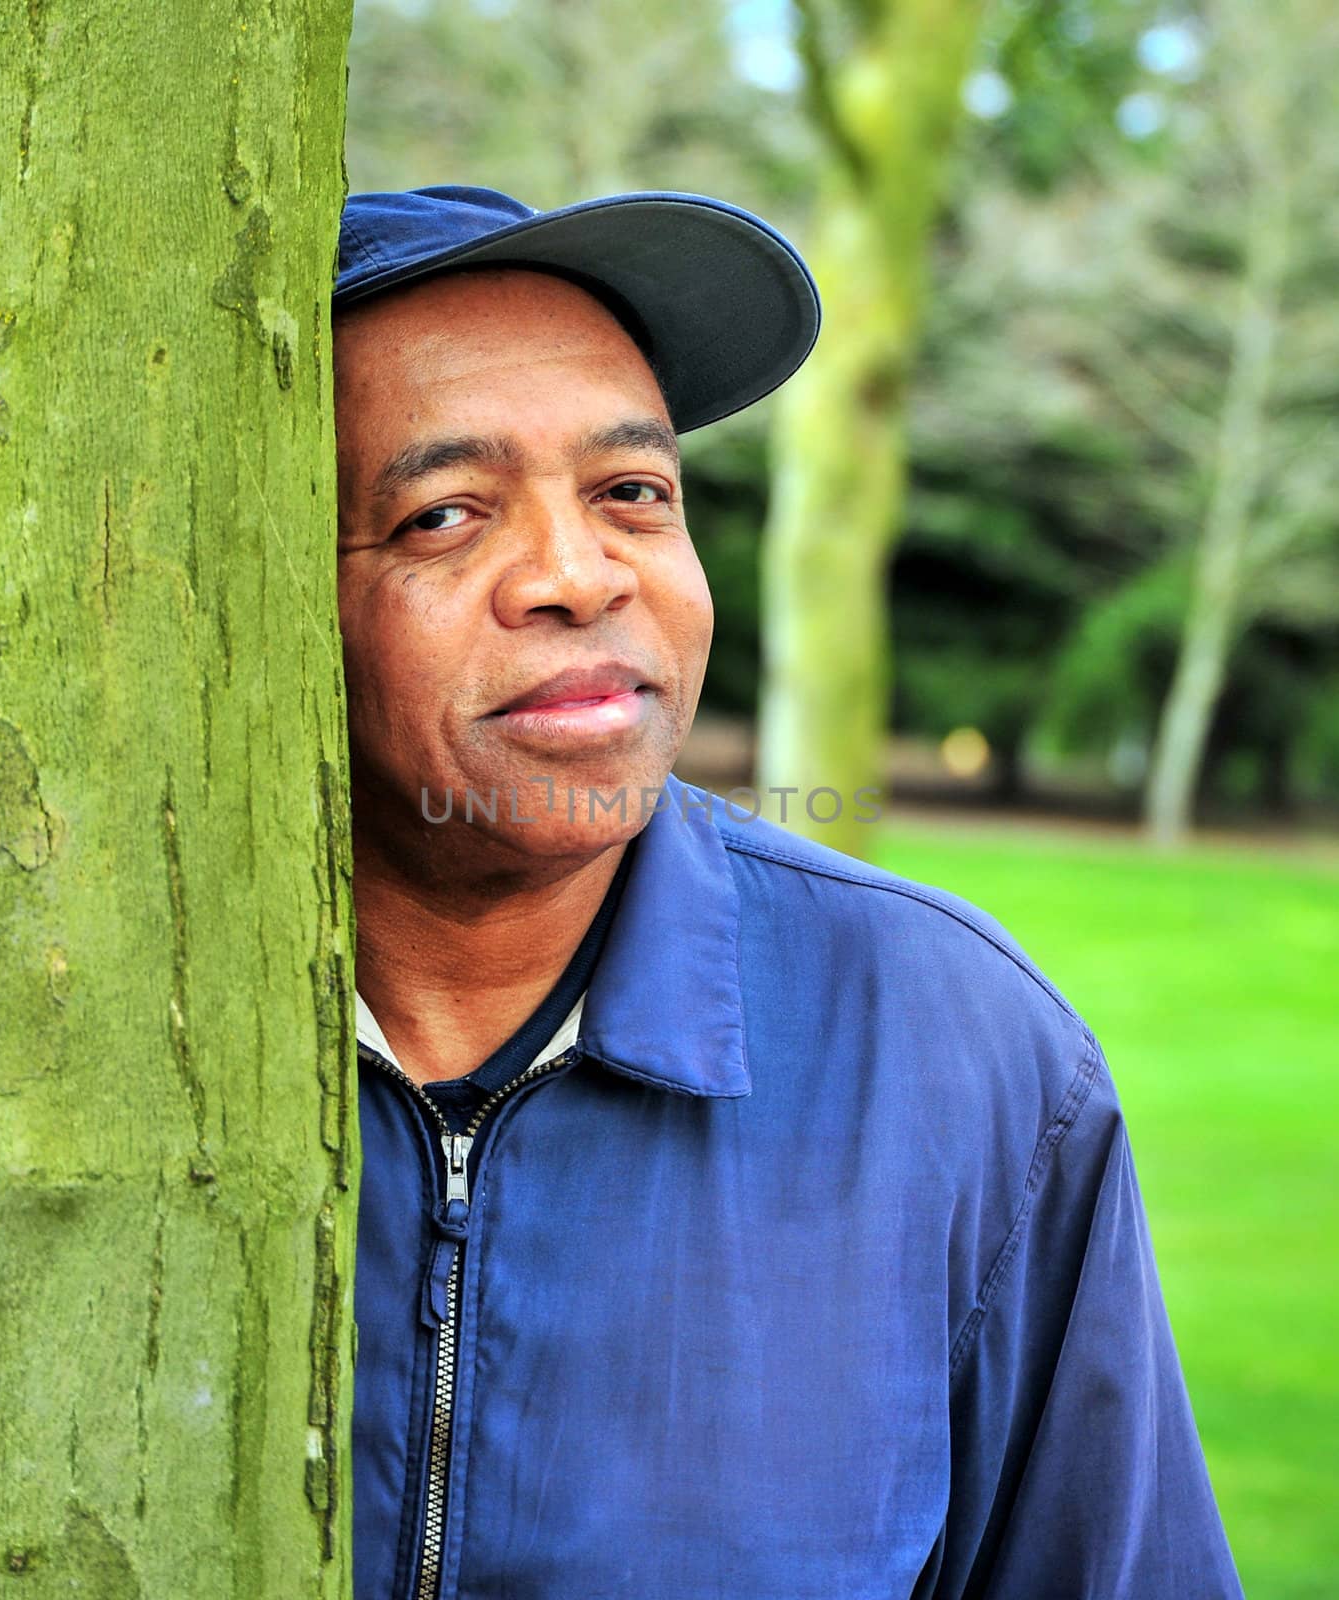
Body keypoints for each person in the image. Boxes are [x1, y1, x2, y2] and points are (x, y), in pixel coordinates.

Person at [333, 185, 1243, 1600]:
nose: (579, 576)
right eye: (445, 514)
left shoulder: (957, 1050)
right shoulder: (62, 1048)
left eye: (632, 493)